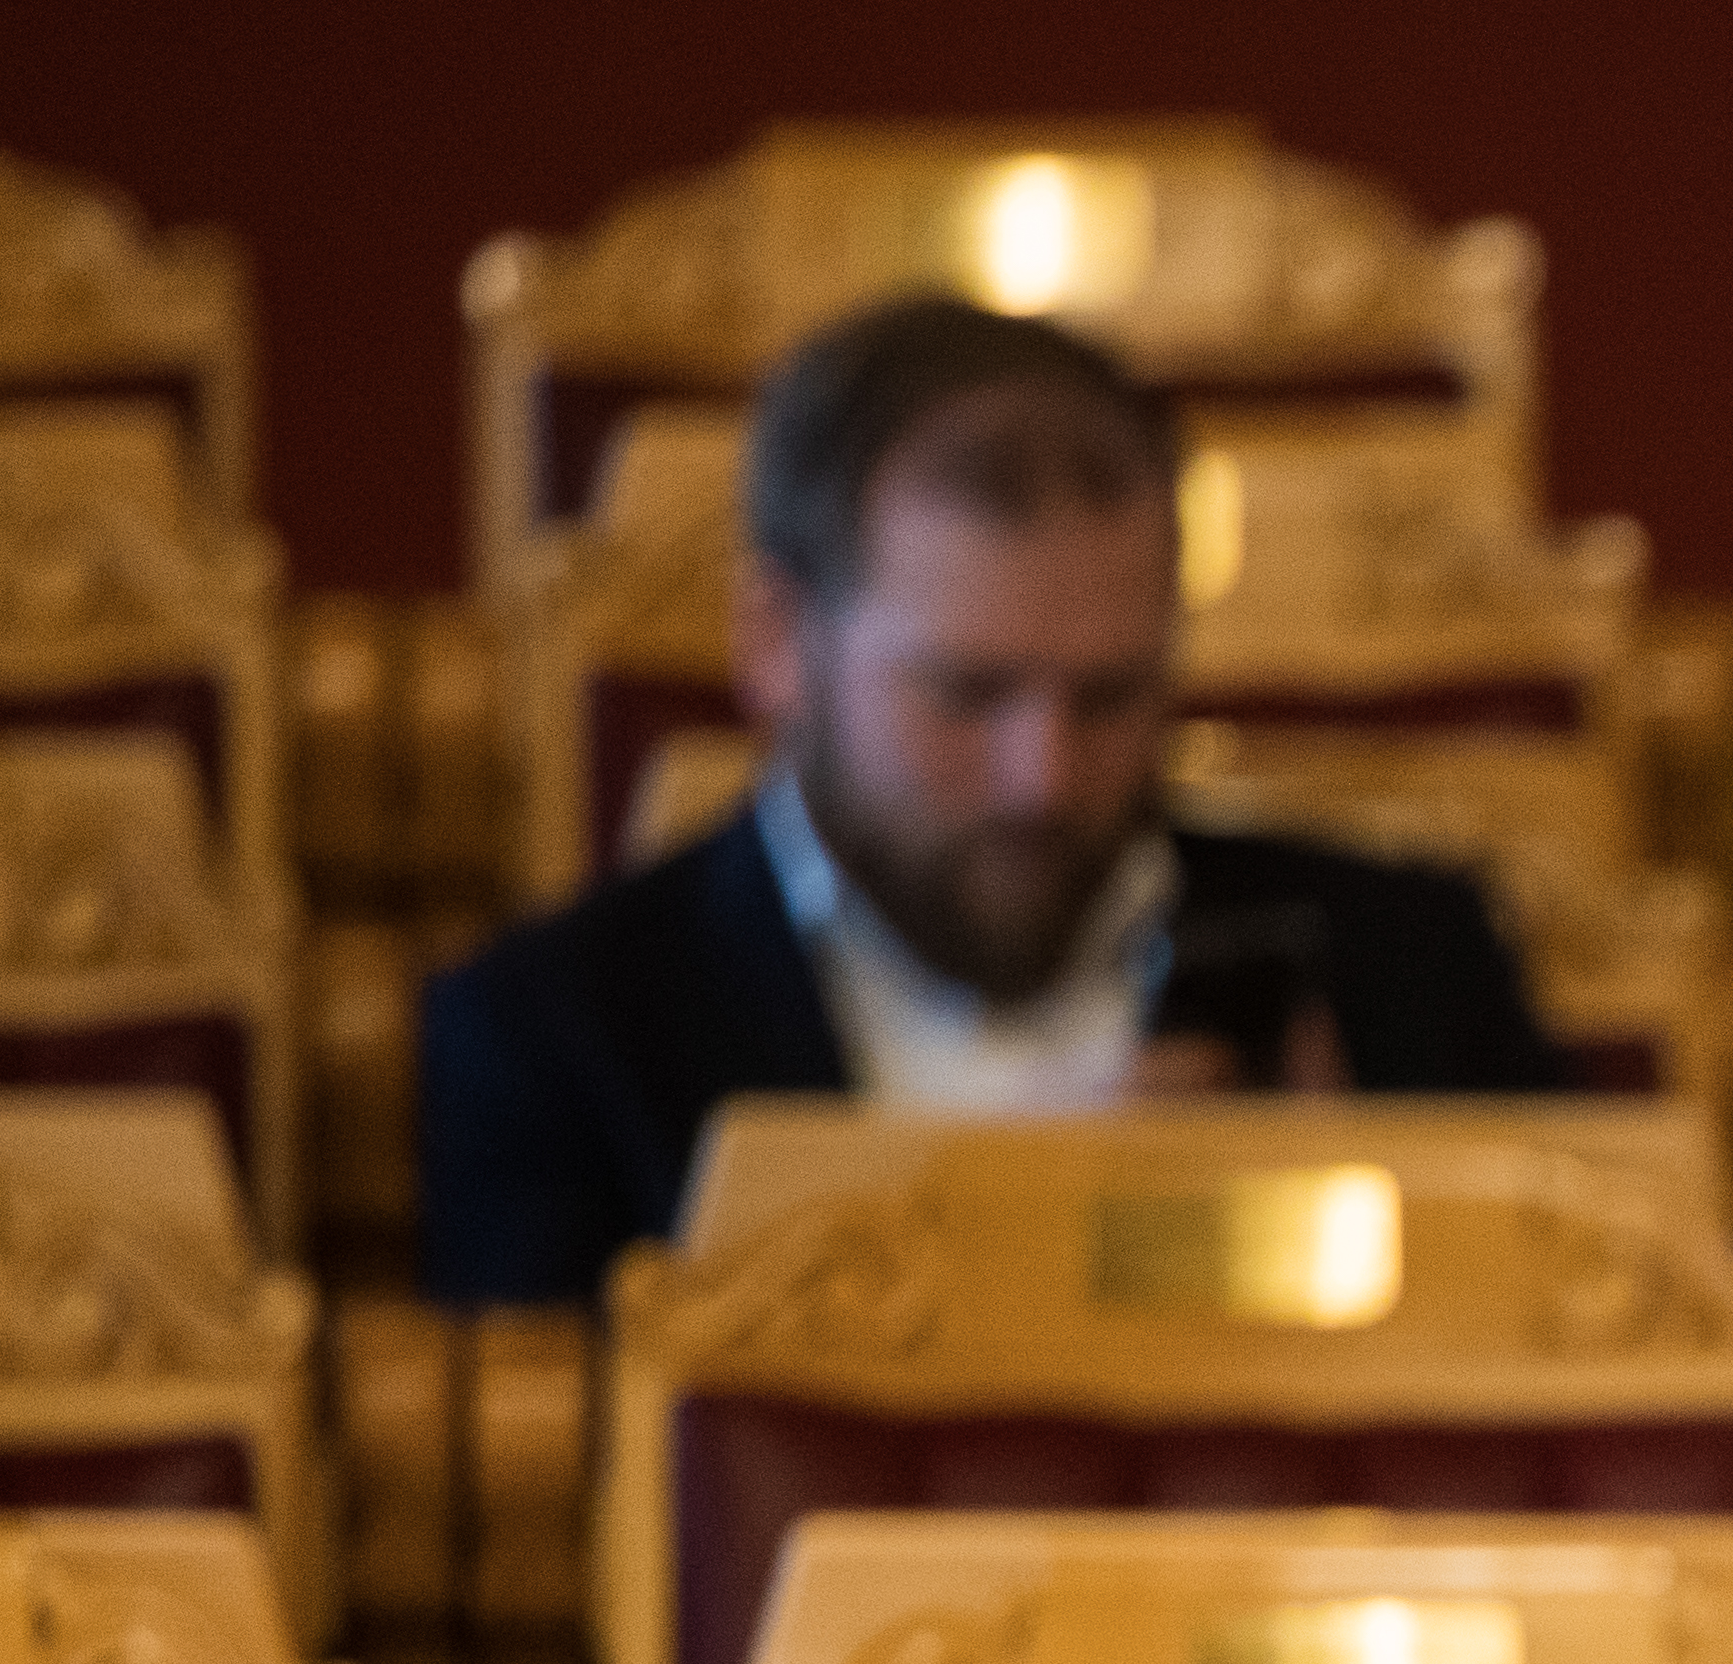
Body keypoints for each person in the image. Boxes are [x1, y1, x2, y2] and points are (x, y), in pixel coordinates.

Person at [411, 297, 1556, 1308]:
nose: (1039, 778)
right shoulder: (551, 1038)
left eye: (1110, 696)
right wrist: (1034, 1229)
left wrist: (1341, 1230)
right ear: (778, 644)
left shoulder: (1413, 969)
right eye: (967, 695)